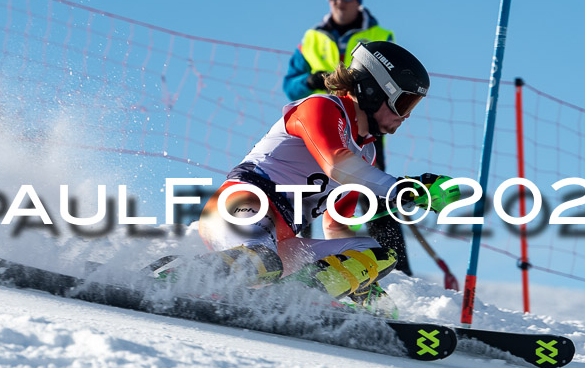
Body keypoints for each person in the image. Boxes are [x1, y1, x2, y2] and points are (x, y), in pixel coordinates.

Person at [181, 41, 459, 309]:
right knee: (262, 262)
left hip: (281, 243)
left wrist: (360, 279)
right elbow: (335, 164)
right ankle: (172, 279)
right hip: (238, 212)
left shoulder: (366, 153)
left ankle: (296, 301)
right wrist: (405, 189)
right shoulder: (322, 108)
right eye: (404, 103)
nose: (406, 116)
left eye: (413, 106)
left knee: (376, 253)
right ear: (375, 90)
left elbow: (335, 226)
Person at [282, 0, 414, 275]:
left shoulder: (379, 34)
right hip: (321, 120)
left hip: (364, 123)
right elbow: (290, 86)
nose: (339, 2)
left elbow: (394, 79)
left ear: (358, 0)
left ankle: (399, 269)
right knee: (306, 189)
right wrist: (311, 81)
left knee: (371, 187)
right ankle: (300, 257)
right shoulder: (313, 38)